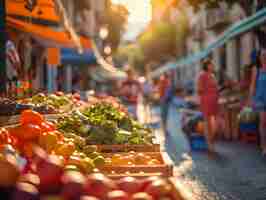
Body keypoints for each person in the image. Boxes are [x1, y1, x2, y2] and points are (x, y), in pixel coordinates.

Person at [197, 59, 219, 153]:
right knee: (207, 123)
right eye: (211, 65)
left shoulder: (213, 75)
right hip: (206, 101)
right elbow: (199, 89)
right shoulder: (202, 75)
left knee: (213, 122)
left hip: (213, 101)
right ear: (207, 66)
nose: (213, 66)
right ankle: (209, 144)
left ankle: (211, 141)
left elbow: (215, 87)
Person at [249, 48, 266, 155]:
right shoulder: (256, 69)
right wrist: (251, 99)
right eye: (263, 55)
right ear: (259, 57)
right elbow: (252, 85)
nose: (264, 57)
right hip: (260, 99)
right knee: (263, 123)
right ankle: (264, 146)